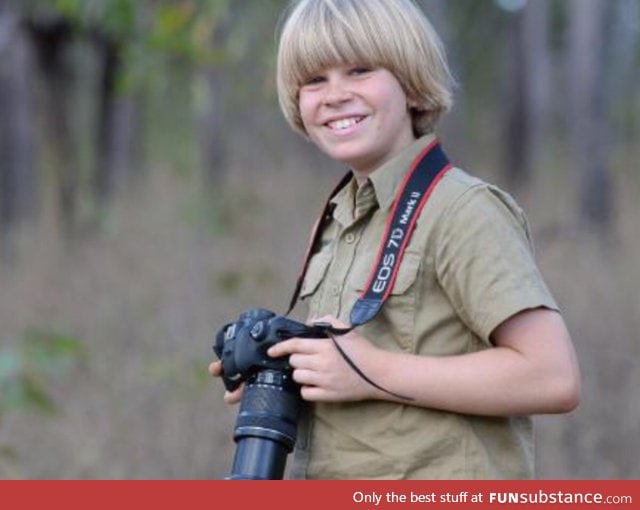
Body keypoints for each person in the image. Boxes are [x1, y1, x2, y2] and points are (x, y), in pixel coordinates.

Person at [210, 0, 580, 479]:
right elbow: (355, 373)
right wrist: (283, 370)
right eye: (314, 80)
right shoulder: (343, 214)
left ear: (409, 81)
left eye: (359, 70)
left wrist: (370, 371)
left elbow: (552, 377)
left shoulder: (463, 209)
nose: (335, 95)